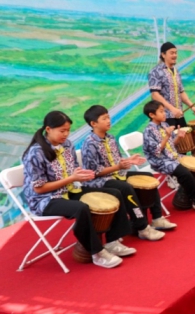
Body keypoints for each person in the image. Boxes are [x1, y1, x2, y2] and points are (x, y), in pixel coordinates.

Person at [22, 111, 134, 269]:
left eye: (68, 130)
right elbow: (39, 189)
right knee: (81, 208)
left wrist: (82, 175)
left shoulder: (67, 145)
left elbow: (73, 169)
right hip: (45, 199)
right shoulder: (35, 152)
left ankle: (112, 241)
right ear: (48, 129)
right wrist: (71, 178)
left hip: (69, 190)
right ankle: (96, 252)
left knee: (114, 193)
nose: (66, 134)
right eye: (62, 131)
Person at [81, 105, 171, 238]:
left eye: (108, 117)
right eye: (104, 118)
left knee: (148, 177)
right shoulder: (89, 143)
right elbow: (93, 173)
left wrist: (129, 160)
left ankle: (157, 218)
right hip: (99, 180)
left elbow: (116, 161)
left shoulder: (110, 138)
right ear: (93, 123)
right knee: (125, 188)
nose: (108, 121)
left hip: (116, 174)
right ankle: (142, 227)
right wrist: (119, 167)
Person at [143, 100, 195, 214]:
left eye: (164, 111)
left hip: (174, 156)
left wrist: (178, 137)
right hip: (161, 161)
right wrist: (167, 136)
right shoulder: (148, 131)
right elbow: (156, 151)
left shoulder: (164, 125)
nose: (164, 114)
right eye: (161, 111)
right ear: (152, 115)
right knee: (185, 173)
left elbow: (172, 144)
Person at [148, 41, 195, 128]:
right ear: (163, 55)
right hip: (165, 117)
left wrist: (192, 106)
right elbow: (155, 95)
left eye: (176, 53)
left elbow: (181, 92)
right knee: (170, 137)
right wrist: (172, 109)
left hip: (179, 114)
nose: (175, 55)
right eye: (172, 53)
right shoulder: (156, 71)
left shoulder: (176, 71)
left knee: (185, 135)